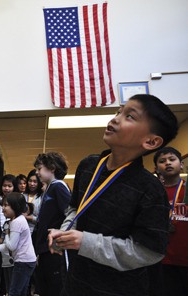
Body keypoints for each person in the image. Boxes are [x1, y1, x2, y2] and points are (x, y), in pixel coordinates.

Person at [48, 94, 179, 296]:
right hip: (76, 281)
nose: (115, 118)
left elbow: (149, 252)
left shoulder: (150, 189)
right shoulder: (88, 165)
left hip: (119, 289)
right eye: (119, 111)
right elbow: (75, 208)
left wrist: (85, 242)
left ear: (151, 141)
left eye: (130, 116)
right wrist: (65, 231)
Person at [0, 192, 37, 296]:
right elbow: (11, 245)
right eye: (2, 205)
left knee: (14, 292)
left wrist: (6, 233)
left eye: (6, 205)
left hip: (23, 262)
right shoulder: (18, 220)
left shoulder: (16, 222)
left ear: (15, 206)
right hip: (28, 260)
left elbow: (11, 246)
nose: (3, 209)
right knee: (21, 292)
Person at [33, 152, 71, 296]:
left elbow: (70, 214)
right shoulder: (49, 188)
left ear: (52, 168)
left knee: (55, 288)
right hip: (45, 248)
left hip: (54, 248)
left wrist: (59, 235)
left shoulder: (59, 187)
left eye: (39, 168)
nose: (37, 173)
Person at [153, 146, 187, 295]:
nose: (167, 163)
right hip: (161, 260)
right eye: (162, 161)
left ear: (181, 165)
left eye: (172, 159)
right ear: (156, 169)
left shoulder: (187, 190)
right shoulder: (152, 193)